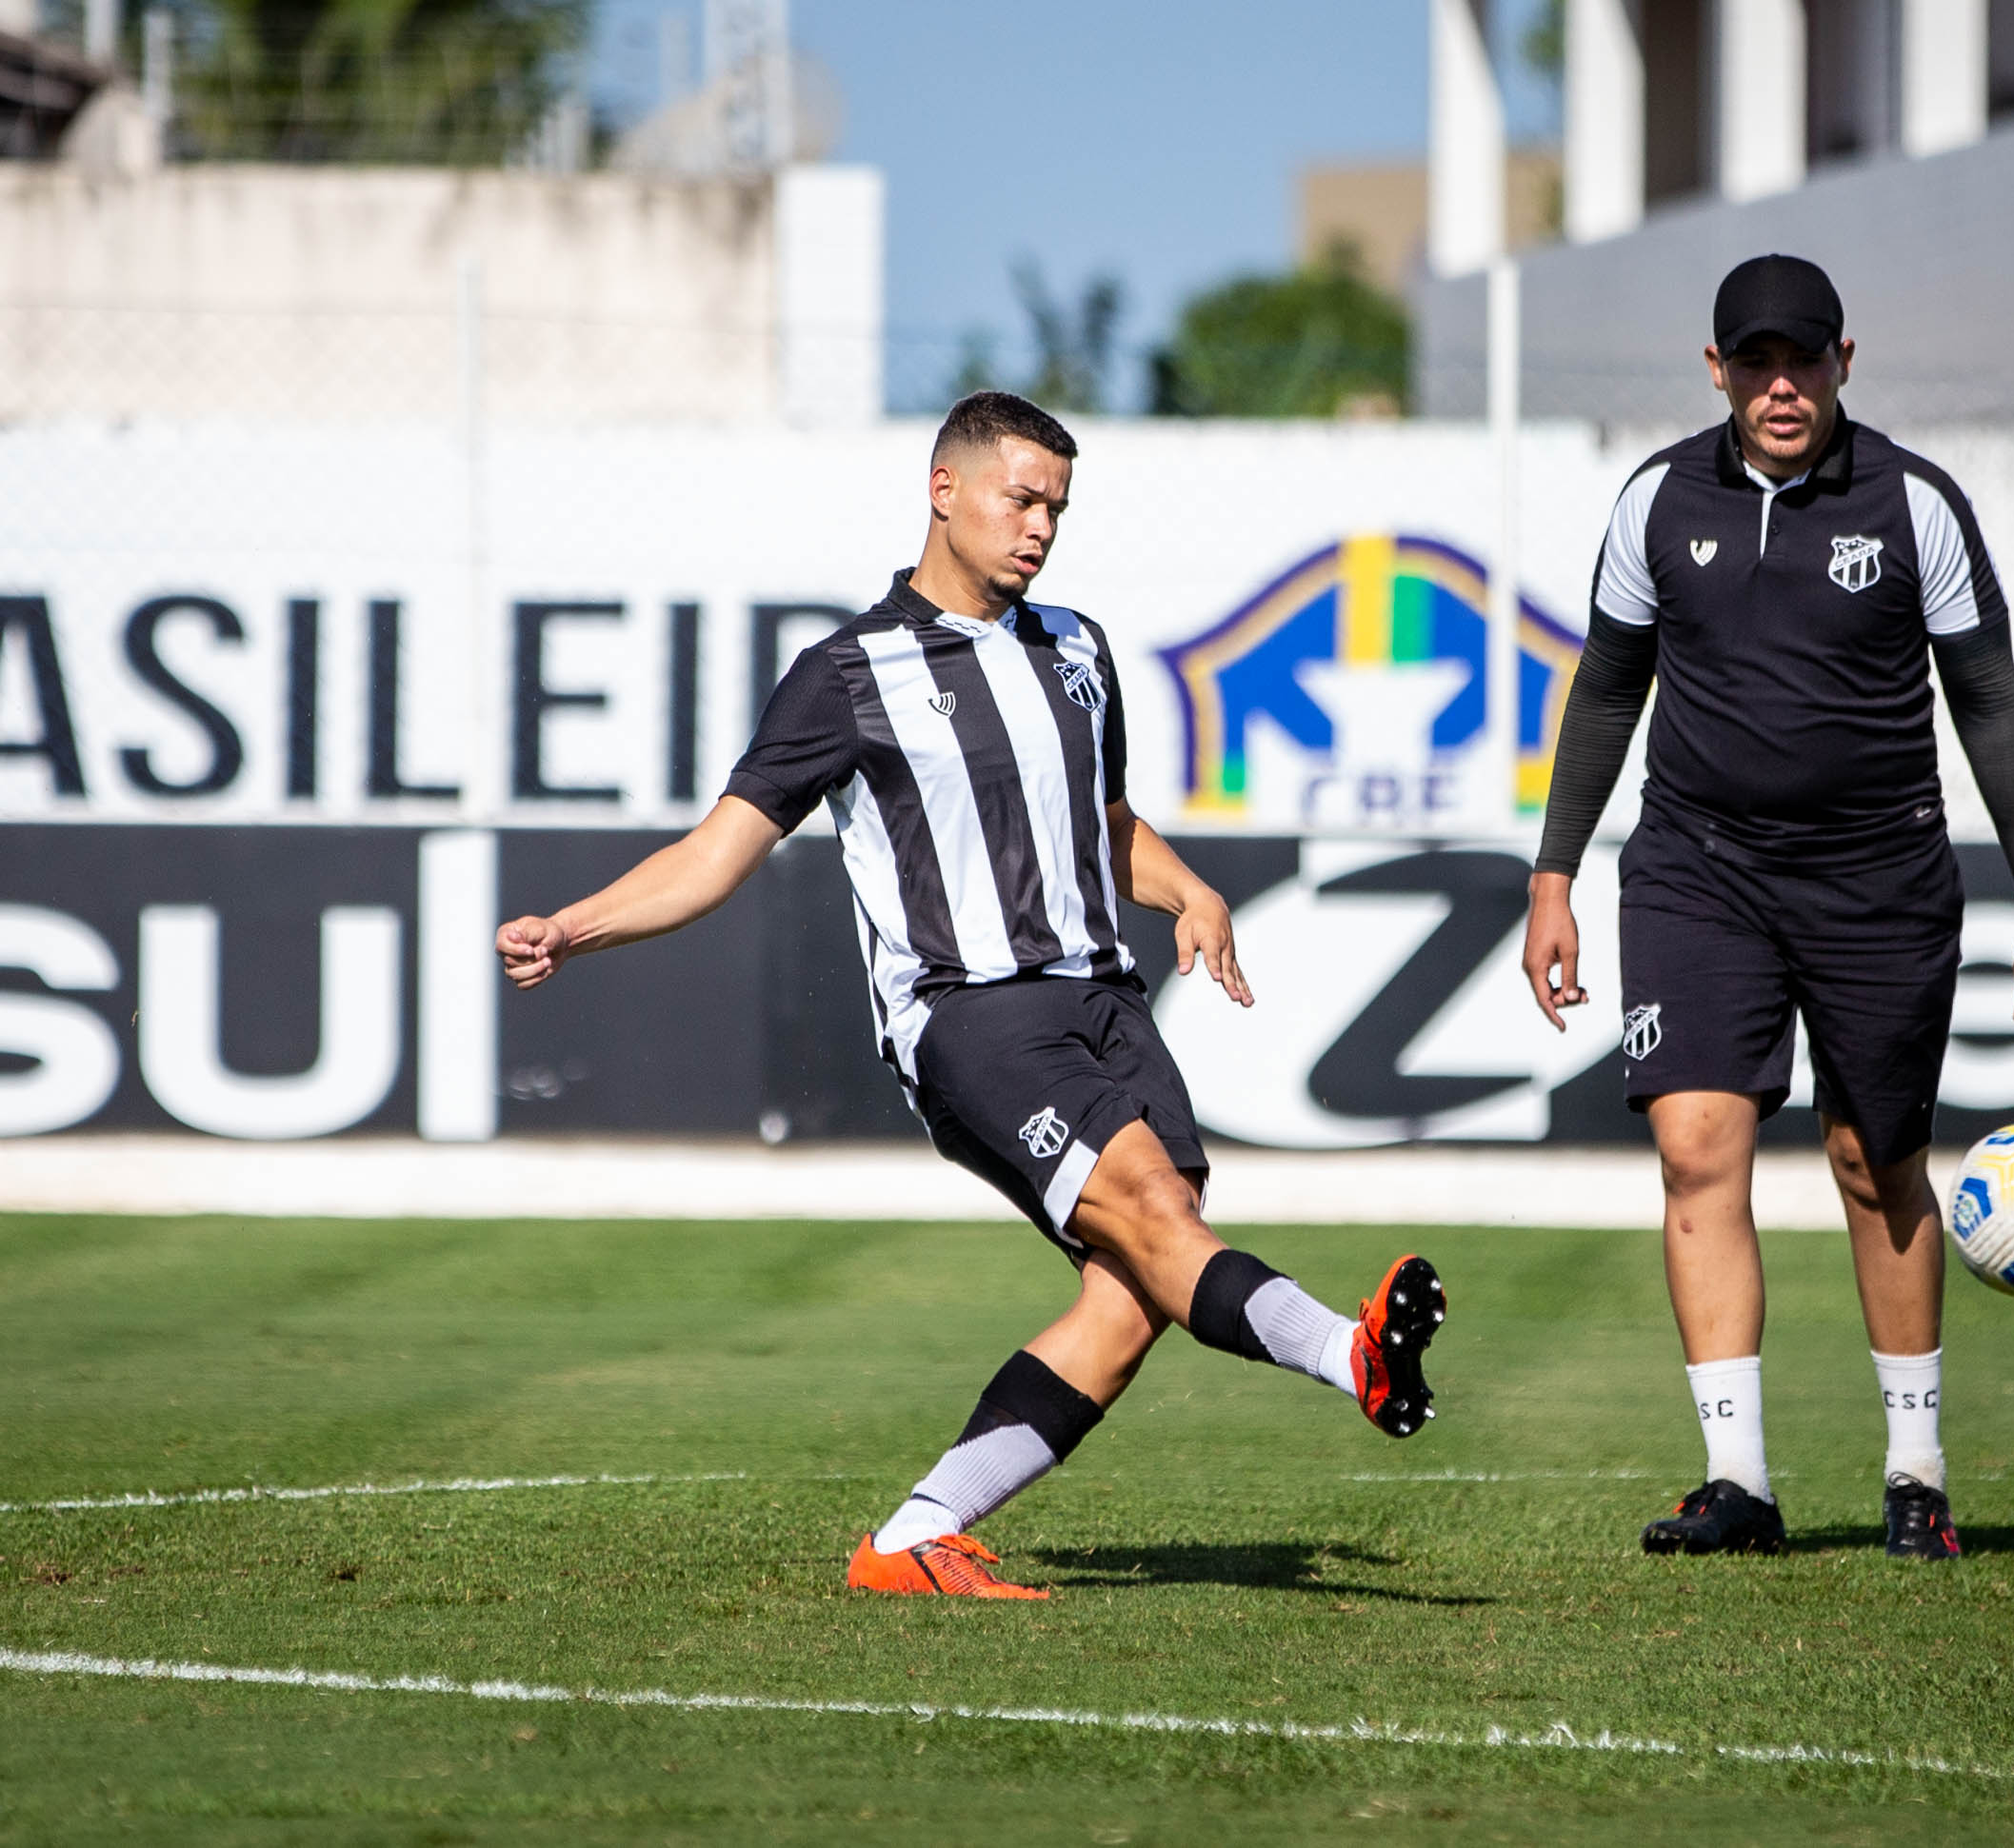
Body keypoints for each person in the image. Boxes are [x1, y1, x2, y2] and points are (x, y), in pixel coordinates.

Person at [496, 390, 1446, 1600]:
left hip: (1108, 1003)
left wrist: (1187, 890)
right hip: (971, 1015)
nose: (1040, 525)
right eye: (1020, 498)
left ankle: (910, 1539)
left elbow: (1094, 819)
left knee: (1135, 1293)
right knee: (1156, 1211)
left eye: (1057, 505)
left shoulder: (1077, 649)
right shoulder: (847, 674)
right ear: (943, 490)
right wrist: (574, 929)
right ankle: (1350, 1354)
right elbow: (717, 850)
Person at [1519, 256, 2014, 1560]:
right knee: (1696, 1145)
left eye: (1806, 360)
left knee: (1872, 1161)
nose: (1783, 385)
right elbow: (1606, 691)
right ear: (1715, 370)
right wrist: (1552, 875)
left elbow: (1987, 704)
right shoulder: (1656, 499)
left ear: (1843, 361)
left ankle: (1916, 1472)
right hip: (1696, 870)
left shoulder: (1916, 504)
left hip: (1881, 877)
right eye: (1755, 362)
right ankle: (1738, 1483)